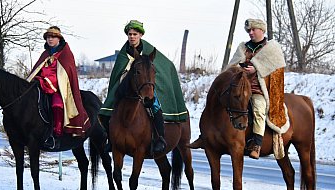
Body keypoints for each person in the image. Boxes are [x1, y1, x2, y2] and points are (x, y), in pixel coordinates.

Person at [189, 19, 287, 160]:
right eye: (249, 31)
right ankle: (205, 136)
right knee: (218, 102)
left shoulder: (271, 49)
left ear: (262, 31)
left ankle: (256, 144)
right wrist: (240, 69)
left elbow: (276, 72)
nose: (251, 33)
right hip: (240, 89)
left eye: (253, 30)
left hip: (258, 90)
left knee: (259, 109)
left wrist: (257, 68)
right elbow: (232, 66)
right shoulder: (243, 47)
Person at [98, 20, 189, 153]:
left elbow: (165, 65)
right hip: (127, 89)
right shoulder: (124, 54)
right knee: (106, 111)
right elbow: (118, 73)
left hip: (146, 87)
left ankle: (159, 139)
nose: (132, 37)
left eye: (135, 34)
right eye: (130, 34)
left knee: (155, 107)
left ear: (140, 35)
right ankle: (111, 140)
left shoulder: (149, 51)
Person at [27, 26, 91, 149]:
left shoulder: (66, 54)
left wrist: (47, 79)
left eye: (53, 37)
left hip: (60, 88)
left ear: (59, 39)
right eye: (48, 37)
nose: (50, 40)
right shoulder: (46, 53)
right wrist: (39, 79)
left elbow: (65, 74)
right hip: (42, 84)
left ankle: (56, 134)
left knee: (57, 105)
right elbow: (38, 70)